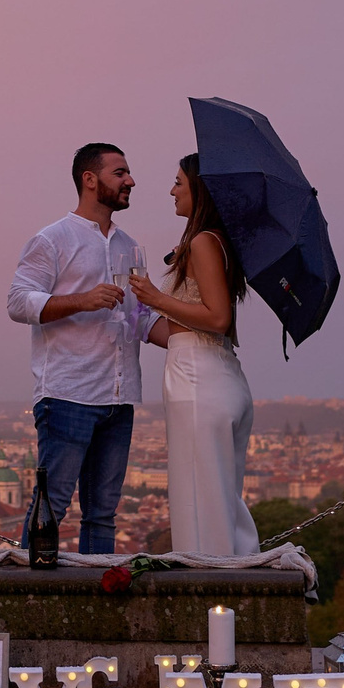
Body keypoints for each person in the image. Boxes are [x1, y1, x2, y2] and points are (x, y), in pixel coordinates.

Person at [6, 143, 149, 556]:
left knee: (103, 513)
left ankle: (100, 596)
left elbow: (141, 320)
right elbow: (18, 302)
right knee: (52, 506)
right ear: (90, 179)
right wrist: (82, 300)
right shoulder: (52, 240)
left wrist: (200, 333)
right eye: (120, 173)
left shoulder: (130, 246)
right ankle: (30, 599)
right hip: (67, 395)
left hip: (119, 397)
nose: (131, 181)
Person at [129, 154, 258, 557]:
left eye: (179, 182)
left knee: (199, 501)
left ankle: (214, 601)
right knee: (219, 497)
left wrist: (155, 297)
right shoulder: (217, 242)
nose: (171, 190)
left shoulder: (203, 241)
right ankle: (231, 595)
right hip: (216, 372)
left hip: (199, 379)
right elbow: (185, 332)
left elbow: (217, 318)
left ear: (200, 189)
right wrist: (139, 319)